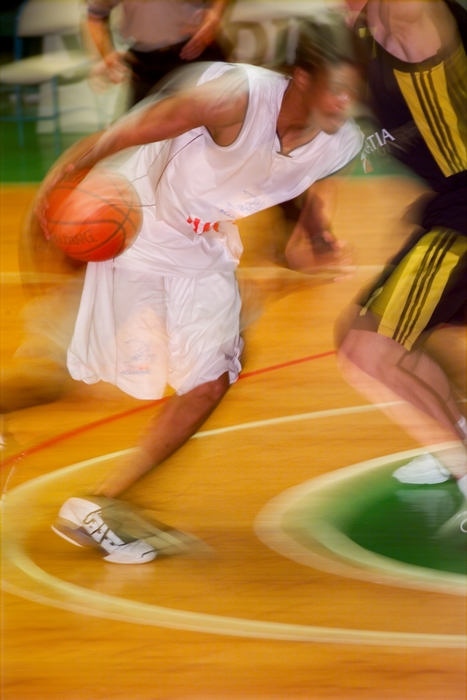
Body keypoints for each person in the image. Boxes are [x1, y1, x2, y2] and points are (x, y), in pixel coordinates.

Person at [41, 18, 364, 563]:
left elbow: (309, 206)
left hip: (201, 239)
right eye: (337, 88)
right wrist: (62, 195)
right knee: (65, 380)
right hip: (134, 226)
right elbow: (116, 136)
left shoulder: (342, 138)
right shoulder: (230, 99)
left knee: (211, 379)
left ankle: (99, 505)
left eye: (355, 91)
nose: (346, 102)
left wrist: (317, 240)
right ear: (301, 78)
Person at [336, 0, 466, 536]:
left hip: (463, 217)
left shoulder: (408, 14)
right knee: (365, 335)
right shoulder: (366, 30)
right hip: (449, 210)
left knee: (370, 347)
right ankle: (454, 436)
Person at [87, 0, 229, 107]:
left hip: (195, 49)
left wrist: (216, 14)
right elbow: (95, 16)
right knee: (141, 135)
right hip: (147, 61)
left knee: (218, 120)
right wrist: (107, 54)